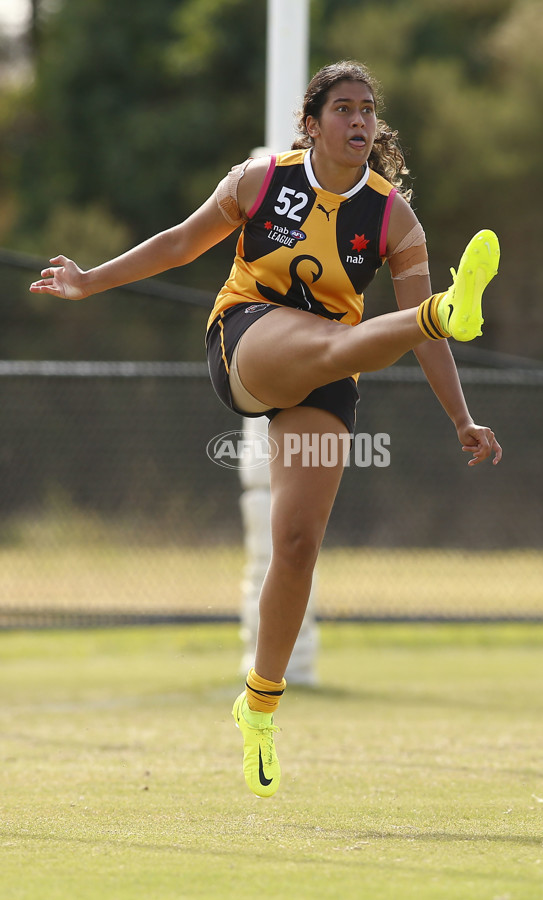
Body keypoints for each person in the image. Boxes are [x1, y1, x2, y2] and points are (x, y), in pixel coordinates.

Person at [30, 60, 502, 799]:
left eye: (368, 110)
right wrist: (91, 278)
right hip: (245, 343)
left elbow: (423, 351)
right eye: (343, 108)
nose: (359, 121)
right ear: (311, 124)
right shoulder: (260, 180)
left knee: (296, 543)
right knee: (340, 341)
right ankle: (442, 307)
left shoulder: (391, 218)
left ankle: (258, 705)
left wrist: (463, 419)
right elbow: (181, 244)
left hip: (326, 375)